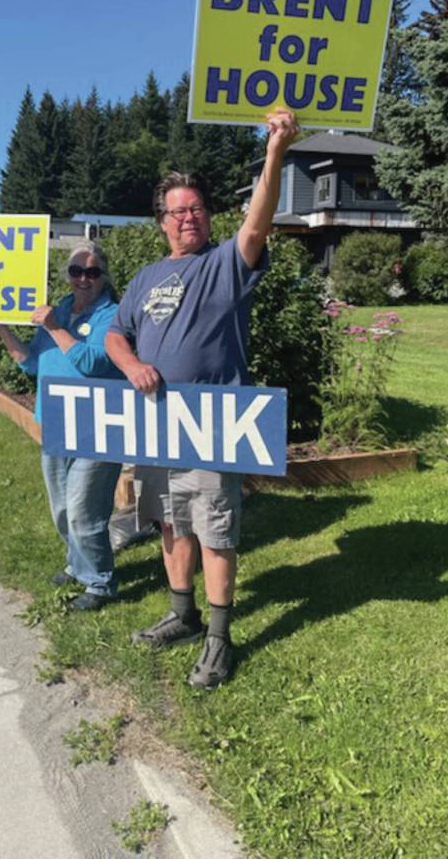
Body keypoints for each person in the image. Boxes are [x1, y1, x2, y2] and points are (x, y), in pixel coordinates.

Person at [105, 108, 300, 688]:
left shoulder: (225, 266)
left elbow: (258, 224)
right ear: (161, 221)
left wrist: (276, 152)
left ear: (206, 217)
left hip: (213, 424)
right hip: (156, 427)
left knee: (215, 529)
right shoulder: (143, 278)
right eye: (178, 211)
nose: (188, 218)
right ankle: (182, 614)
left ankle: (219, 638)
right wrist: (133, 363)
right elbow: (117, 333)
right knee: (170, 524)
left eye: (196, 209)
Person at [0, 242, 122, 611]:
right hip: (57, 421)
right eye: (76, 271)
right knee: (61, 507)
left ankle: (100, 583)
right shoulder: (57, 311)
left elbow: (92, 362)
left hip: (98, 424)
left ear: (104, 277)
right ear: (67, 276)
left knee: (83, 509)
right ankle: (77, 565)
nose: (83, 279)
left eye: (92, 272)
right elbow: (30, 363)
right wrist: (2, 329)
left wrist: (55, 327)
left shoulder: (113, 316)